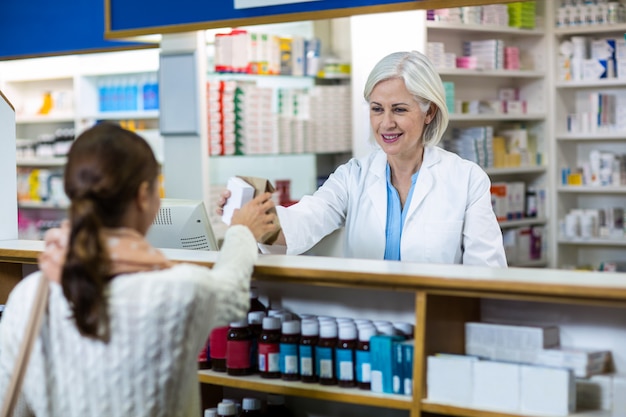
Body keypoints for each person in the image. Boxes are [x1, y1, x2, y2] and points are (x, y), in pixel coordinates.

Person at [0, 123, 276, 416]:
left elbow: (10, 401)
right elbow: (232, 290)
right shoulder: (177, 291)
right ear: (143, 195)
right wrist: (242, 231)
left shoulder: (30, 295)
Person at [218, 50, 507, 267]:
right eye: (377, 109)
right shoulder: (353, 175)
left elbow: (487, 272)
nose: (386, 123)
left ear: (429, 112)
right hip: (368, 324)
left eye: (400, 110)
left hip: (436, 322)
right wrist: (250, 212)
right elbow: (305, 221)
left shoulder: (466, 179)